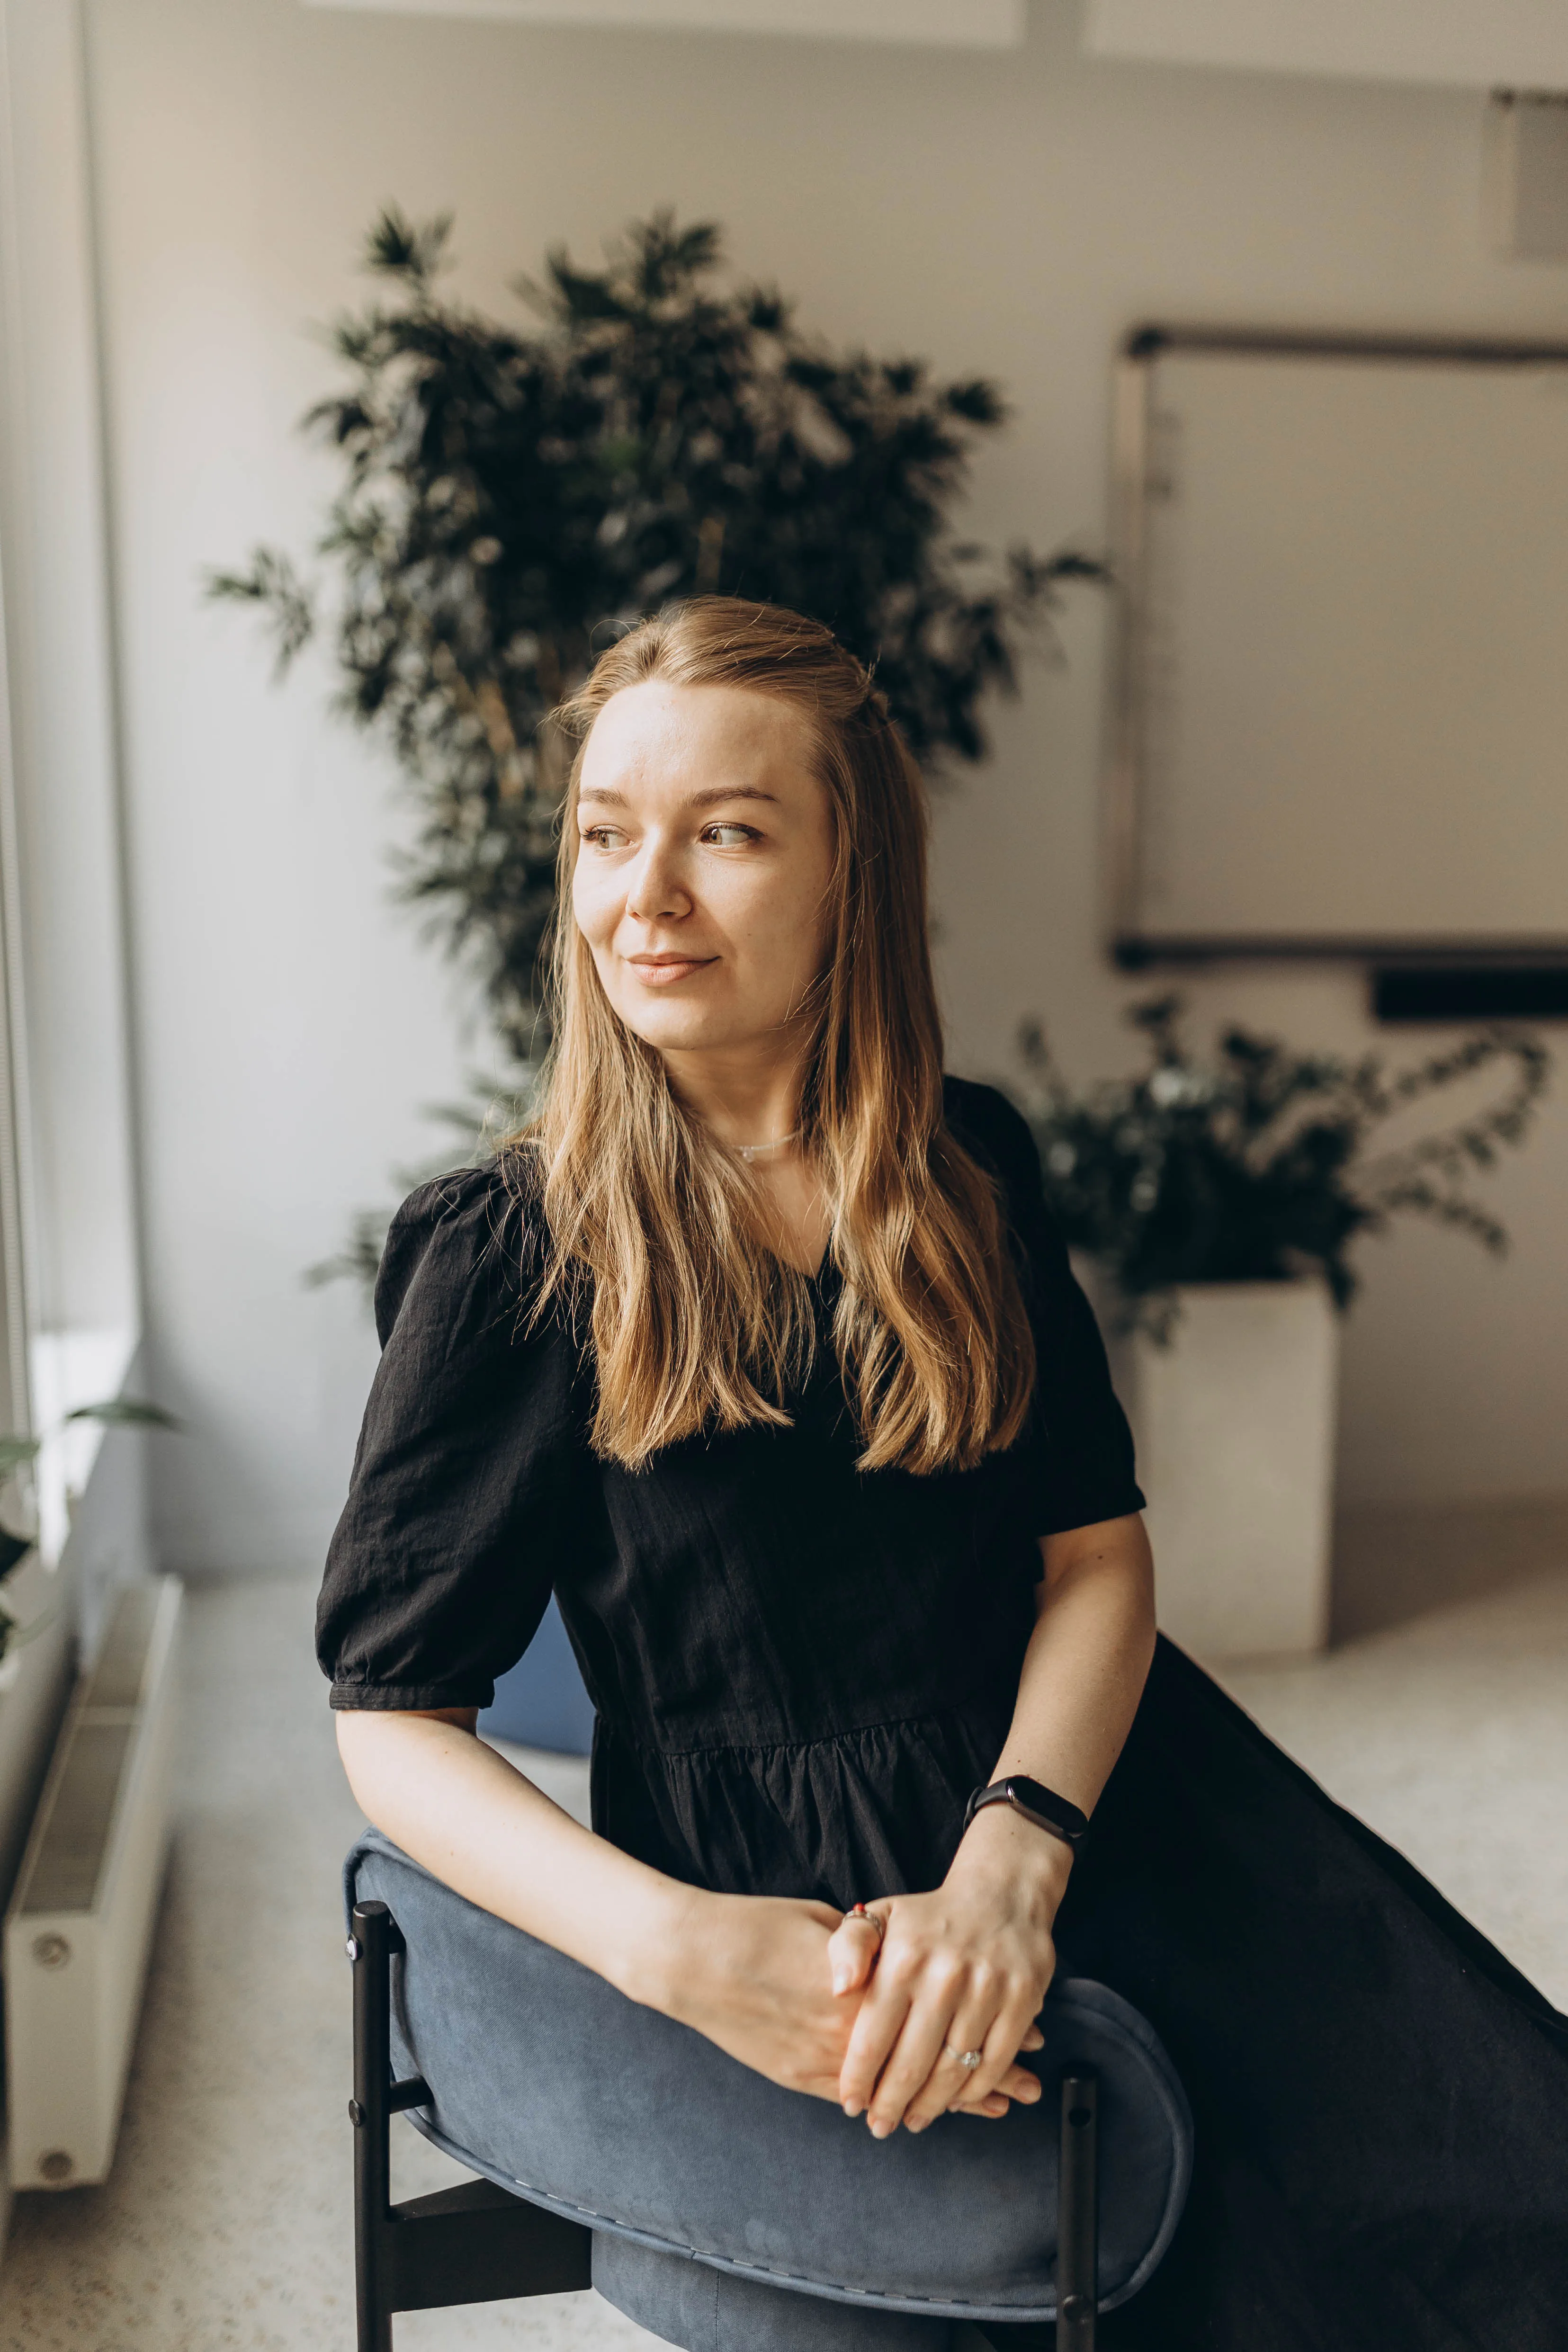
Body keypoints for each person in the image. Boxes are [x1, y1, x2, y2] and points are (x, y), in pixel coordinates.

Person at [317, 599, 1568, 2352]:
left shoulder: (963, 1161)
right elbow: (391, 1717)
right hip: (776, 1892)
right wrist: (682, 1953)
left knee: (1488, 2186)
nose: (644, 897)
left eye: (726, 833)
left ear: (849, 875)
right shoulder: (510, 1251)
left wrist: (1013, 1863)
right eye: (606, 834)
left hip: (1089, 1796)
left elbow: (1095, 1559)